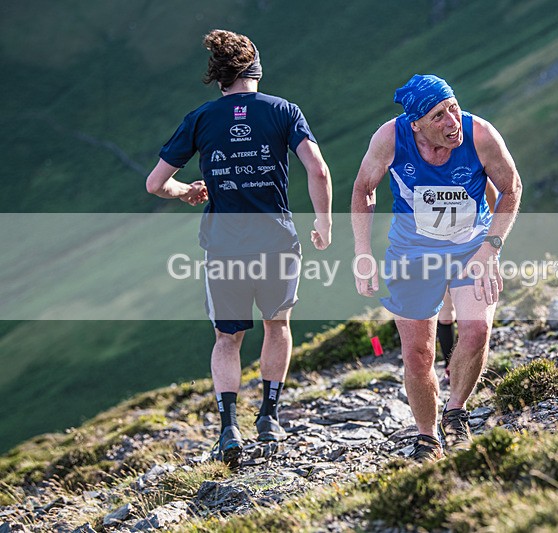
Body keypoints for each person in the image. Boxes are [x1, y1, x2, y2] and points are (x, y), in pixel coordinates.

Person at [146, 29, 332, 468]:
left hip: (225, 244)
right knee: (277, 325)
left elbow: (155, 183)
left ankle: (229, 427)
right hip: (277, 238)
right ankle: (269, 415)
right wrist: (323, 222)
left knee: (227, 338)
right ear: (256, 71)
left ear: (219, 78)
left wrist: (185, 192)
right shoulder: (285, 111)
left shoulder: (200, 119)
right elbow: (318, 171)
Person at [351, 74, 521, 462]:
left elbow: (511, 187)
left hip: (471, 249)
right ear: (416, 125)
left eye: (454, 109)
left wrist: (491, 248)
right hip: (413, 253)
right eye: (439, 115)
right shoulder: (390, 139)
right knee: (418, 354)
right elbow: (363, 188)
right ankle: (427, 437)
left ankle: (456, 411)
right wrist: (362, 251)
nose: (452, 121)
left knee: (477, 330)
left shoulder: (481, 135)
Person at [437, 181, 498, 386]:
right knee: (445, 315)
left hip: (470, 252)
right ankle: (451, 368)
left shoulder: (475, 175)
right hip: (437, 253)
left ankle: (467, 369)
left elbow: (494, 202)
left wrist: (488, 241)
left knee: (472, 318)